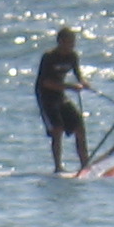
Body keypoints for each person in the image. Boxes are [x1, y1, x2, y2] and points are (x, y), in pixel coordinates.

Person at [35, 27, 89, 173]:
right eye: (69, 42)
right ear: (60, 42)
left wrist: (83, 83)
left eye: (73, 42)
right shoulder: (49, 57)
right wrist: (71, 87)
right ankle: (58, 167)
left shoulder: (73, 56)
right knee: (57, 129)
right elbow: (46, 82)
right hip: (45, 96)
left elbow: (78, 76)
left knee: (79, 127)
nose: (71, 45)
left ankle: (85, 164)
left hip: (60, 95)